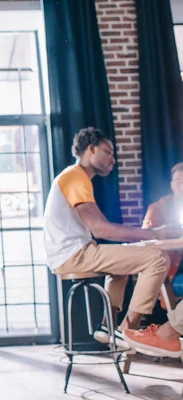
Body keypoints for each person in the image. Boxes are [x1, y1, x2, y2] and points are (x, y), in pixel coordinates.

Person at [44, 127, 181, 347]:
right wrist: (153, 233)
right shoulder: (75, 177)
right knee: (158, 258)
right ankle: (128, 331)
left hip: (72, 252)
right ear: (90, 149)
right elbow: (100, 229)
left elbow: (101, 228)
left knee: (125, 262)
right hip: (74, 254)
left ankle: (108, 326)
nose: (113, 159)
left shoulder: (74, 177)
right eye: (108, 152)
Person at [142, 162, 183, 308]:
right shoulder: (158, 209)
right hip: (172, 274)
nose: (182, 186)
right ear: (172, 185)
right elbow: (145, 240)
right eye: (179, 182)